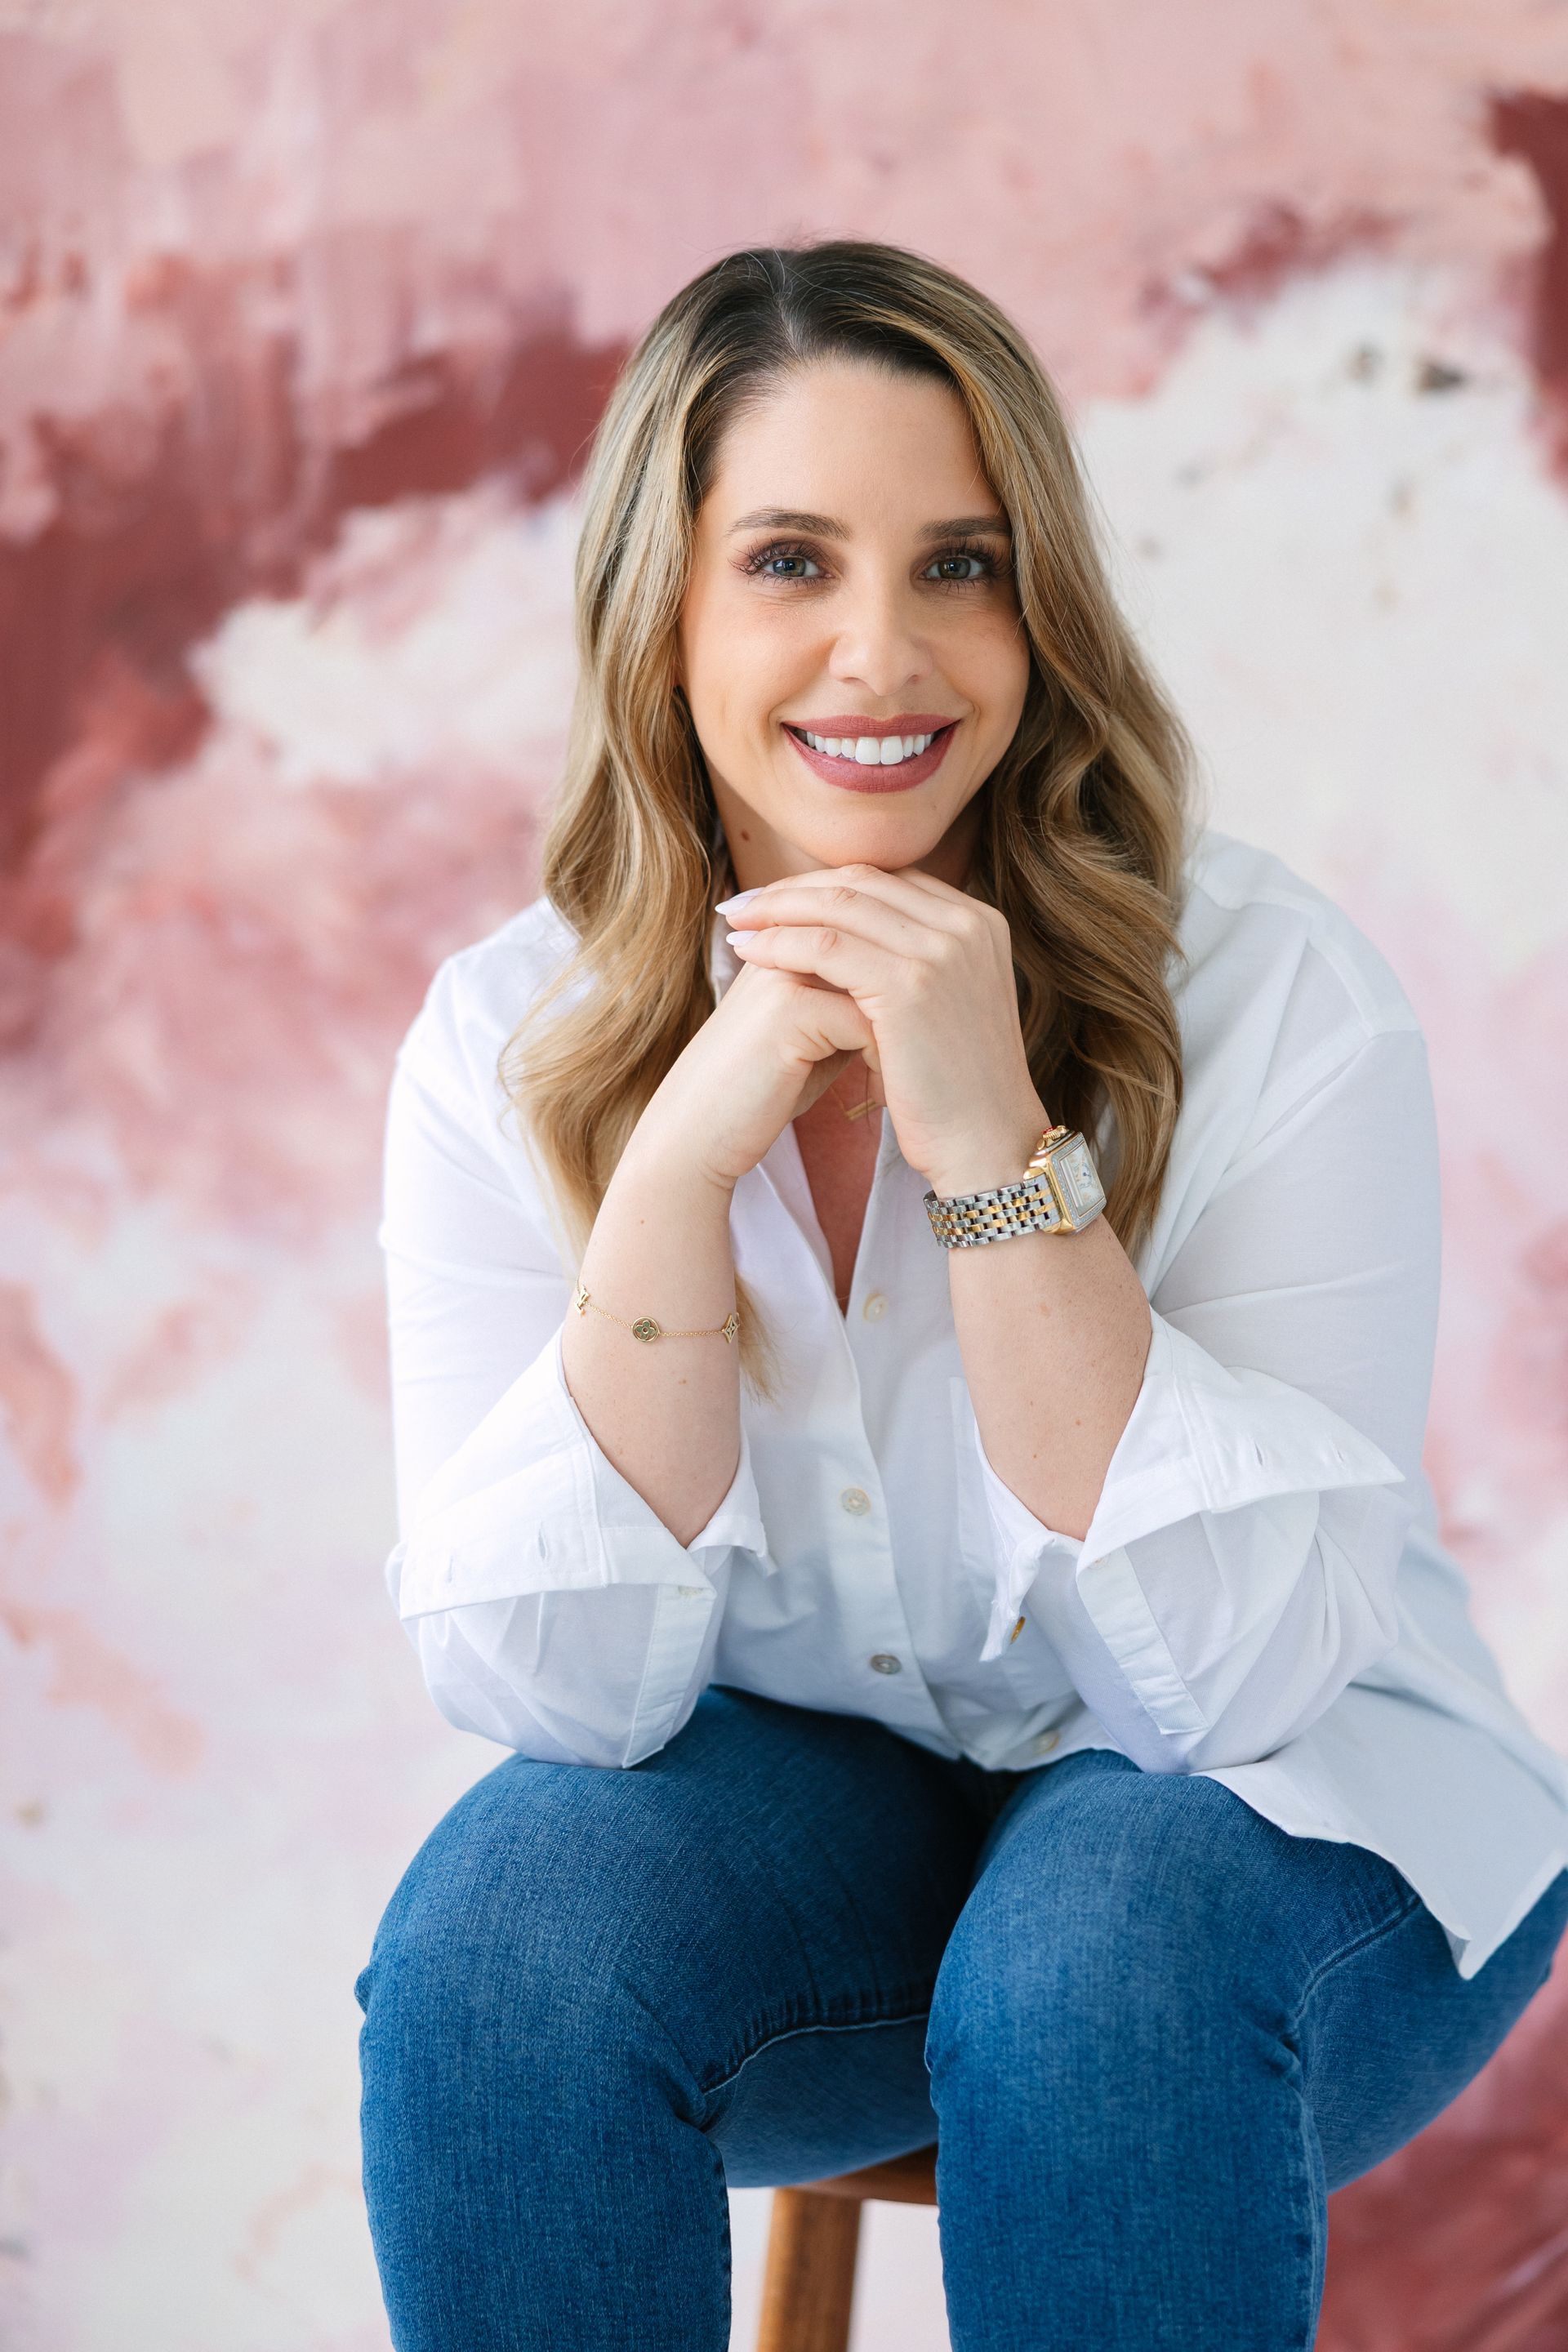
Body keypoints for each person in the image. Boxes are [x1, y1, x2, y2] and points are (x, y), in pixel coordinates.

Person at [354, 240, 1568, 2352]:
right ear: (667, 616)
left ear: (1044, 612)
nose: (880, 652)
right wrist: (672, 1168)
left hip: (1282, 1835)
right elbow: (565, 1705)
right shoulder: (504, 1041)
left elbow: (1236, 1690)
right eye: (794, 561)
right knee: (502, 1947)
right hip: (832, 1829)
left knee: (1091, 1970)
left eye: (963, 565)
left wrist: (995, 1146)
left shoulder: (1275, 999)